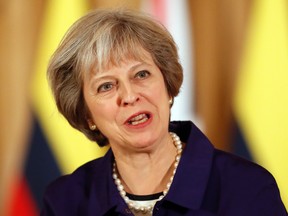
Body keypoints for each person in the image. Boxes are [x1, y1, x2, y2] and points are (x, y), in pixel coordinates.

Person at [40, 8, 287, 216]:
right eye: (106, 86)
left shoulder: (247, 188)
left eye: (141, 74)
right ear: (87, 115)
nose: (129, 96)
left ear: (168, 86)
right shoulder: (64, 202)